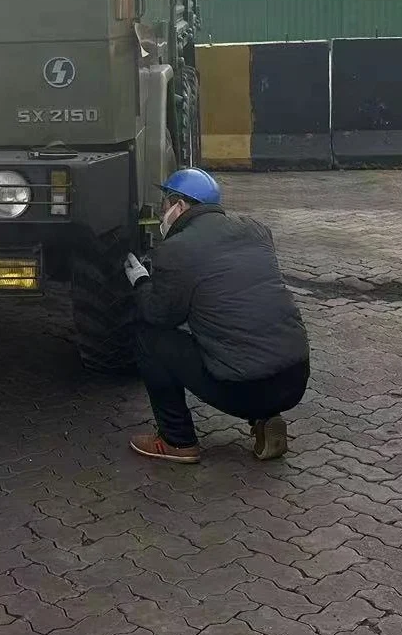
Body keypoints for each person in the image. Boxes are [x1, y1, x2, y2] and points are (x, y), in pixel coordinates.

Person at [123, 168, 309, 464]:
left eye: (163, 204)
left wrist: (141, 281)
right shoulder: (257, 230)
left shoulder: (175, 250)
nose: (160, 213)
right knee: (243, 331)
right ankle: (265, 417)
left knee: (149, 337)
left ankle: (176, 440)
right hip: (295, 379)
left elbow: (160, 315)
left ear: (179, 205)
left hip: (242, 389)